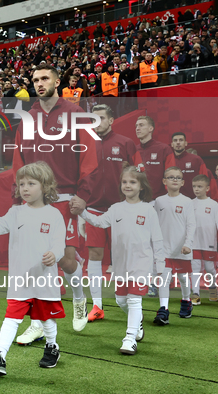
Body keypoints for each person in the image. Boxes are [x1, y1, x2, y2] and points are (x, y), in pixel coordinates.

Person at [11, 64, 98, 344]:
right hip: (35, 203)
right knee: (37, 263)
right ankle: (38, 323)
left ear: (57, 81)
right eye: (35, 79)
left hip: (65, 199)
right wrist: (19, 194)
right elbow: (19, 162)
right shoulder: (27, 119)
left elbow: (89, 158)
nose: (39, 83)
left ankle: (79, 298)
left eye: (44, 78)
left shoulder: (75, 114)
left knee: (66, 260)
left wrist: (83, 195)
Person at [0, 162, 66, 376]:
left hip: (44, 280)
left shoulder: (54, 215)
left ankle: (52, 347)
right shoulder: (15, 212)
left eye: (31, 183)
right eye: (21, 184)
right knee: (12, 317)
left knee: (46, 318)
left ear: (45, 186)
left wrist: (55, 255)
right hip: (20, 280)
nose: (24, 188)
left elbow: (59, 244)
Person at [76, 166, 161, 355]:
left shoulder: (148, 210)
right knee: (121, 299)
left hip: (141, 264)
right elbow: (99, 222)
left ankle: (130, 338)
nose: (128, 185)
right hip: (121, 265)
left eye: (132, 182)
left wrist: (160, 265)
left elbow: (157, 239)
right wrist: (82, 212)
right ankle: (137, 324)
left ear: (141, 186)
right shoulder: (115, 209)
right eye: (124, 182)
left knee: (133, 300)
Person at [74, 103, 137, 323]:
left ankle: (128, 300)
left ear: (111, 120)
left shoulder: (126, 143)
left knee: (123, 257)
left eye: (101, 118)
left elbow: (139, 177)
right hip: (93, 209)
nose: (96, 122)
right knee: (94, 256)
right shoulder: (83, 143)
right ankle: (98, 306)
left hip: (121, 210)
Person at [153, 167, 196, 324]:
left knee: (183, 278)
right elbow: (154, 224)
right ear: (164, 181)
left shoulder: (187, 202)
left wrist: (188, 243)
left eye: (178, 177)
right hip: (163, 249)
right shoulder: (159, 201)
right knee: (164, 278)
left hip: (182, 249)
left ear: (183, 182)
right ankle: (163, 310)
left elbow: (191, 225)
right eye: (171, 177)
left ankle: (186, 302)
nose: (175, 179)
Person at [190, 174, 218, 304]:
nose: (196, 189)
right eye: (194, 186)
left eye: (200, 186)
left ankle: (212, 288)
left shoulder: (213, 204)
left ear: (207, 188)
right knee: (195, 267)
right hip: (193, 242)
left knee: (210, 268)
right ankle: (195, 294)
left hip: (209, 242)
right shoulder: (190, 203)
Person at [133, 116, 175, 200]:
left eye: (141, 125)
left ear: (150, 128)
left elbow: (171, 174)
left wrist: (170, 196)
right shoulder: (134, 150)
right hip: (137, 198)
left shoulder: (164, 149)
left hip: (159, 199)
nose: (137, 128)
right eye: (136, 126)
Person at [170, 132, 218, 201]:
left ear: (186, 143)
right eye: (175, 140)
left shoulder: (196, 159)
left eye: (181, 140)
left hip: (193, 200)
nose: (178, 143)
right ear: (172, 144)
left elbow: (204, 180)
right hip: (172, 200)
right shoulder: (168, 160)